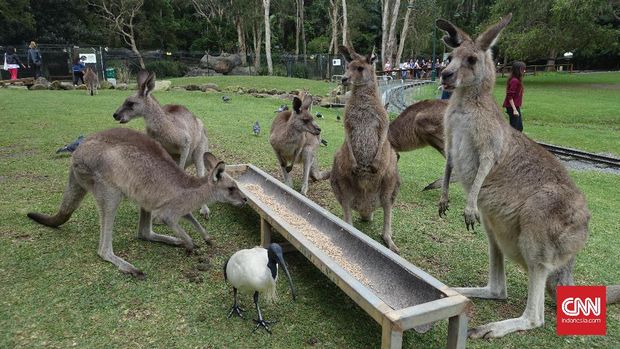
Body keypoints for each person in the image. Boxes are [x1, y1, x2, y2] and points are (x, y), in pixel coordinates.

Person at [502, 61, 526, 132]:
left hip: (515, 106)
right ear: (518, 70)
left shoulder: (517, 80)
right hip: (512, 107)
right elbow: (510, 96)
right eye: (522, 69)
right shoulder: (514, 81)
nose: (524, 71)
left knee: (519, 127)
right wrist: (514, 110)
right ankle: (510, 142)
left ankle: (514, 141)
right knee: (515, 128)